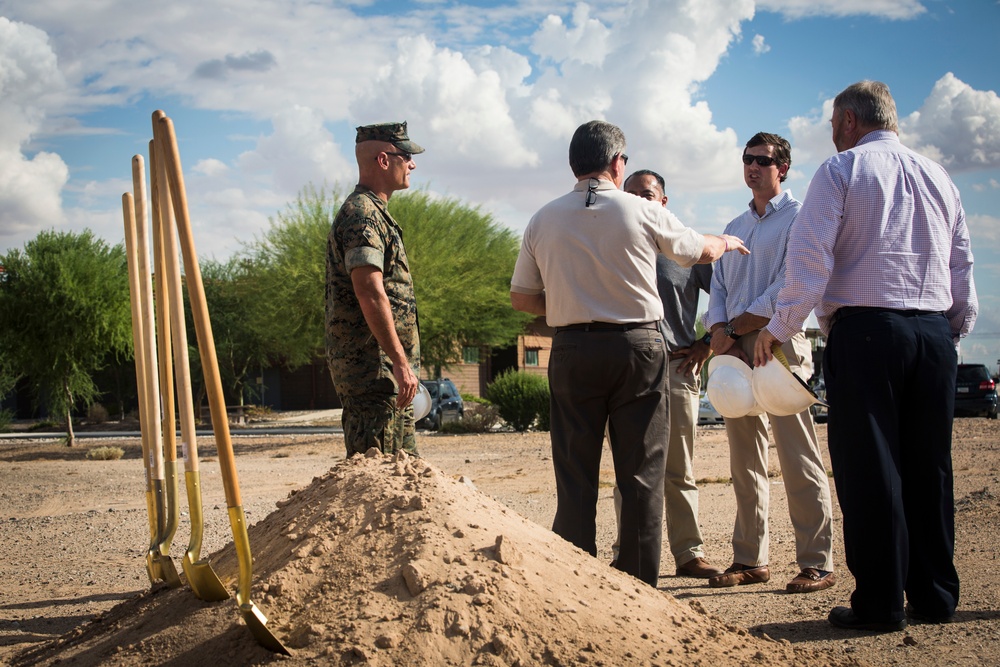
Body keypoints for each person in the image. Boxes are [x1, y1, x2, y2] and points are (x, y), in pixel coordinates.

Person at [754, 81, 977, 631]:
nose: (832, 134)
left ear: (849, 120)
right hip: (931, 332)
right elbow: (962, 264)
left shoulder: (841, 171)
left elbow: (810, 261)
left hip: (866, 332)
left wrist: (781, 327)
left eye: (833, 124)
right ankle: (934, 594)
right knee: (930, 467)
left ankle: (880, 603)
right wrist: (949, 331)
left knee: (871, 470)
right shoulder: (939, 176)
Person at [509, 120, 749, 586]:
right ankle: (639, 584)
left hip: (573, 348)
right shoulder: (640, 209)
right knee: (640, 471)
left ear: (573, 165)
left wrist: (566, 301)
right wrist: (725, 242)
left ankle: (577, 581)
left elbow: (521, 297)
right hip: (637, 348)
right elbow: (695, 250)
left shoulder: (543, 218)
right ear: (618, 163)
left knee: (574, 471)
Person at [704, 131, 836, 594]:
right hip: (734, 348)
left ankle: (816, 561)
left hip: (778, 342)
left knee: (799, 455)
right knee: (745, 459)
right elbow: (718, 286)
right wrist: (720, 331)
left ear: (783, 167)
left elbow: (791, 284)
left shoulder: (801, 218)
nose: (753, 166)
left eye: (762, 159)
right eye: (747, 159)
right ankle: (750, 559)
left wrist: (738, 327)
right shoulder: (734, 226)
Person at [610, 169, 722, 579]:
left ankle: (689, 553)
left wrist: (708, 342)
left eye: (649, 194)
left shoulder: (687, 251)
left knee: (680, 467)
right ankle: (625, 552)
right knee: (629, 466)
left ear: (664, 202)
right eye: (633, 194)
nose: (641, 200)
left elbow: (725, 295)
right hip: (629, 370)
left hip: (677, 367)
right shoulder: (615, 244)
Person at [325, 121, 424, 457]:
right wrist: (398, 361)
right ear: (384, 160)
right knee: (377, 480)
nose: (412, 164)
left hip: (386, 379)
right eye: (405, 155)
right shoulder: (362, 216)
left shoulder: (375, 214)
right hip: (374, 374)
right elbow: (369, 291)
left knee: (401, 474)